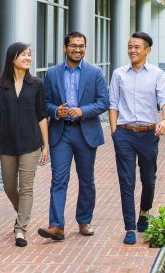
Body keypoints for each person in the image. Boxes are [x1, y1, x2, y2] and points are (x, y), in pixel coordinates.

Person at [37, 31, 109, 242]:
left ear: (85, 48)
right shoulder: (52, 73)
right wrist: (55, 111)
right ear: (64, 47)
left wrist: (82, 111)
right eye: (74, 45)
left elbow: (104, 102)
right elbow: (45, 103)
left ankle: (84, 220)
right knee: (59, 179)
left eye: (81, 46)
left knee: (87, 180)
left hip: (86, 132)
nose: (78, 49)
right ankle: (56, 226)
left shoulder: (95, 73)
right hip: (61, 132)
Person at [109, 32, 165, 245]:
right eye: (130, 46)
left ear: (147, 50)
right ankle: (129, 228)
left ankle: (144, 212)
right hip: (124, 133)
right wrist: (114, 132)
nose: (132, 50)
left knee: (149, 180)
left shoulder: (157, 74)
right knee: (126, 181)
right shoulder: (118, 74)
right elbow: (113, 104)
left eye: (137, 47)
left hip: (149, 134)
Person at [0, 42, 49, 247]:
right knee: (9, 186)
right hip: (7, 144)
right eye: (23, 54)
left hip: (31, 143)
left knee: (26, 187)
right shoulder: (0, 86)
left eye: (29, 54)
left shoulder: (37, 84)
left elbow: (42, 116)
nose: (28, 58)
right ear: (12, 58)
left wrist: (46, 145)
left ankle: (20, 229)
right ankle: (23, 212)